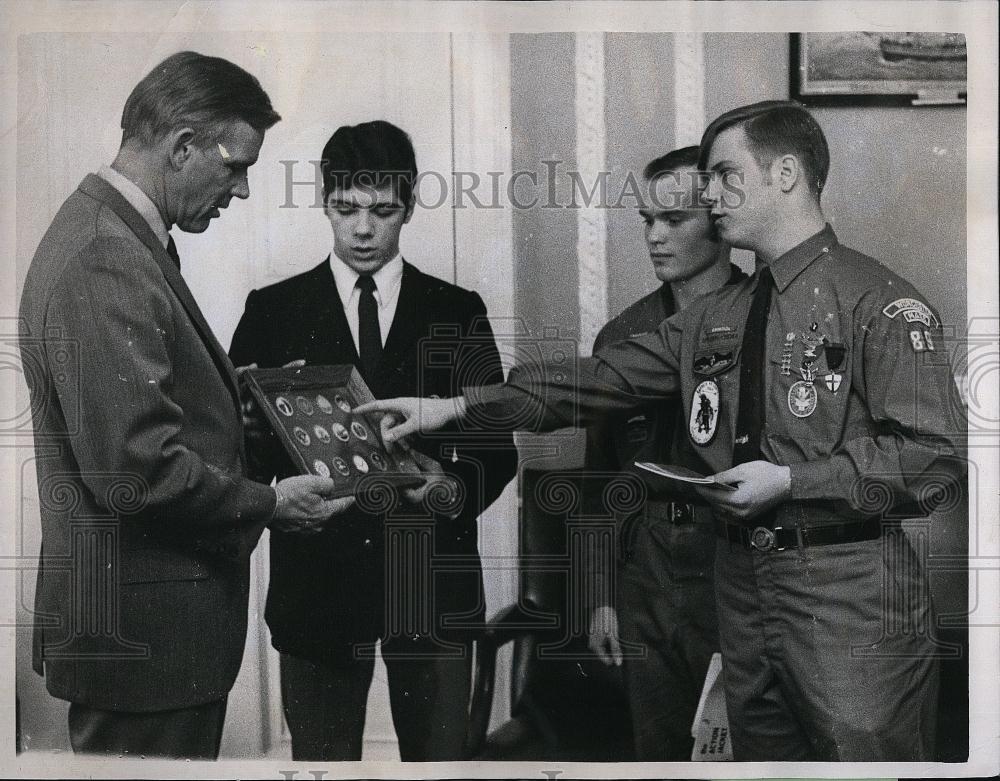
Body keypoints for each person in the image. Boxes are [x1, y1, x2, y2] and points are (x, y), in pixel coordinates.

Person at [359, 101, 966, 761]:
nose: (709, 193)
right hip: (742, 591)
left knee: (863, 764)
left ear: (786, 173)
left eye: (724, 175)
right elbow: (597, 378)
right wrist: (451, 408)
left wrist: (793, 479)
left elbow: (933, 458)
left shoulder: (876, 300)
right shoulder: (719, 316)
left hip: (848, 591)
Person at [18, 52, 354, 759]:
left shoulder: (115, 238)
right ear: (181, 145)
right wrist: (271, 501)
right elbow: (135, 466)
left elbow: (137, 401)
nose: (240, 190)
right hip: (146, 644)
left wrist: (240, 394)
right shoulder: (103, 257)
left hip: (148, 637)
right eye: (235, 166)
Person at [229, 120, 518, 761]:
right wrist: (259, 447)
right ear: (324, 203)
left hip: (433, 582)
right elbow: (241, 455)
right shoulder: (271, 309)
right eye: (347, 209)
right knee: (322, 769)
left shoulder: (457, 309)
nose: (363, 230)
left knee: (439, 770)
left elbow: (497, 449)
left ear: (409, 207)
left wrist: (446, 487)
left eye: (383, 211)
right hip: (319, 591)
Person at [583, 146, 743, 760]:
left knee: (742, 748)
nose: (654, 237)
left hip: (733, 566)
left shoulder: (766, 320)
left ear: (720, 221)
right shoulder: (622, 336)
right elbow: (598, 480)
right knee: (659, 750)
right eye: (646, 220)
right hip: (646, 572)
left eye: (673, 221)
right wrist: (602, 597)